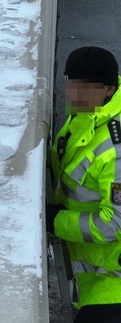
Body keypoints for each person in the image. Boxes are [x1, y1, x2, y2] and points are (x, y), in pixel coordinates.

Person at [49, 46, 121, 322]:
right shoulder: (89, 114)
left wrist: (57, 221)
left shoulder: (116, 150)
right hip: (93, 275)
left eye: (85, 87)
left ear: (108, 89)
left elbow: (115, 224)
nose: (75, 94)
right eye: (71, 83)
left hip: (112, 283)